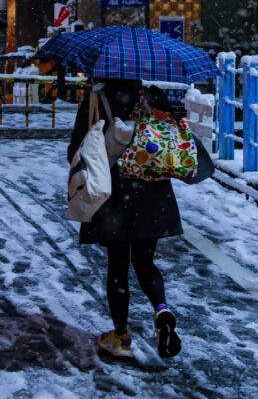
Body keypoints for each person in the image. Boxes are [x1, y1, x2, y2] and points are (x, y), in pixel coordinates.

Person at [67, 79, 183, 361]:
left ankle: (120, 337)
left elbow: (75, 150)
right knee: (145, 262)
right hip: (152, 192)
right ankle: (162, 309)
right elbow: (171, 136)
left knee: (118, 267)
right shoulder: (153, 96)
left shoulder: (97, 98)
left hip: (115, 195)